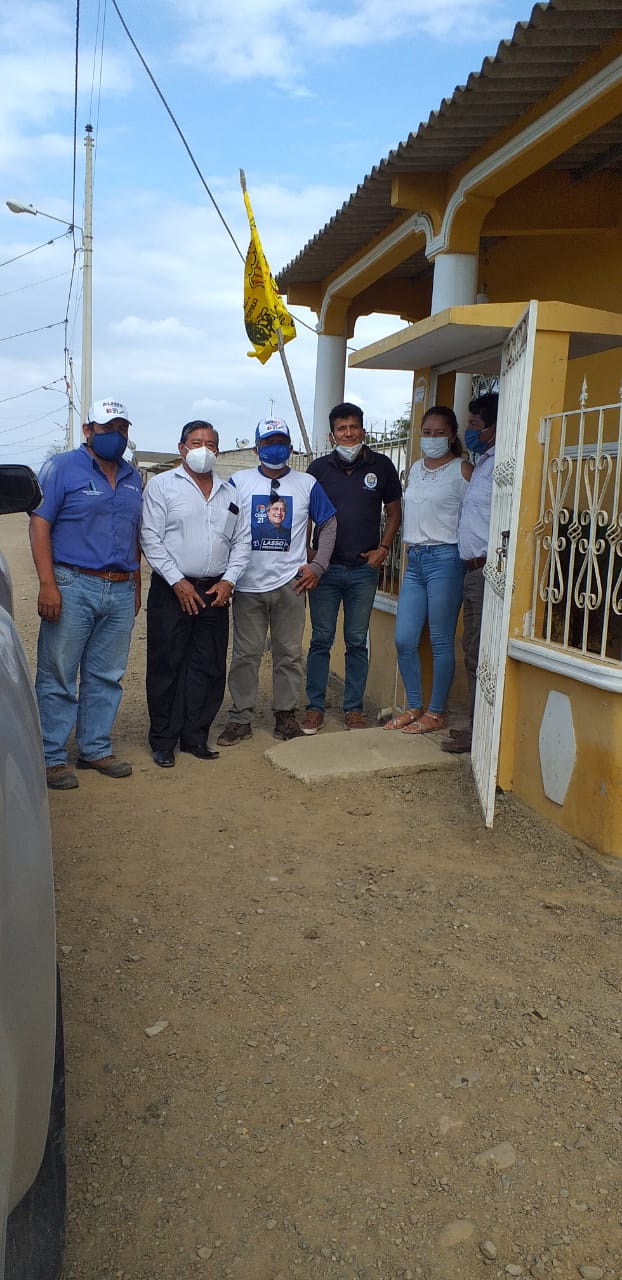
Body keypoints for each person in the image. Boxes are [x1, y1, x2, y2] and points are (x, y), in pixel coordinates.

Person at [30, 398, 142, 790]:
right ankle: (50, 757)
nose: (116, 435)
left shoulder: (132, 476)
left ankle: (94, 748)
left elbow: (134, 533)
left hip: (120, 586)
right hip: (72, 583)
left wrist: (136, 583)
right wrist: (47, 584)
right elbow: (40, 524)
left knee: (107, 675)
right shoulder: (61, 468)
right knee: (58, 673)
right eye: (108, 428)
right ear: (88, 430)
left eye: (122, 428)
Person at [217, 418, 336, 745]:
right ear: (256, 449)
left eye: (280, 441)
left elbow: (329, 524)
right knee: (245, 655)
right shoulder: (238, 482)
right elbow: (222, 527)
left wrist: (318, 567)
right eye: (268, 442)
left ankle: (285, 715)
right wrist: (227, 575)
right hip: (247, 585)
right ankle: (240, 717)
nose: (275, 447)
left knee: (289, 654)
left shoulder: (307, 483)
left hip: (291, 585)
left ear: (291, 446)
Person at [140, 420, 250, 768]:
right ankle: (163, 740)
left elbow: (242, 542)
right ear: (182, 448)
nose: (204, 449)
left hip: (214, 591)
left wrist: (229, 580)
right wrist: (177, 582)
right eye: (196, 442)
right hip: (172, 589)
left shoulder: (230, 492)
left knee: (209, 666)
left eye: (210, 444)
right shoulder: (161, 486)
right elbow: (150, 538)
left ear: (218, 449)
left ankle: (195, 736)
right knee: (167, 665)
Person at [301, 402, 402, 733]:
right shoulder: (317, 469)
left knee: (357, 641)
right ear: (332, 435)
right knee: (321, 639)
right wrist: (308, 552)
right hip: (325, 571)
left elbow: (394, 512)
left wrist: (383, 549)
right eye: (341, 428)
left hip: (363, 570)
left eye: (353, 427)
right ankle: (314, 707)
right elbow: (304, 513)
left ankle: (353, 709)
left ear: (363, 430)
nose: (348, 433)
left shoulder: (382, 466)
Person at [384, 405, 472, 735]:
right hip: (415, 560)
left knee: (440, 639)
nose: (432, 438)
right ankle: (414, 706)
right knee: (404, 638)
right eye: (427, 432)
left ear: (452, 436)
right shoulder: (416, 469)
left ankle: (436, 712)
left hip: (445, 559)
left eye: (440, 433)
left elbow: (477, 514)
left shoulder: (463, 470)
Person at [441, 392, 498, 755]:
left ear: (494, 427)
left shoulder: (501, 465)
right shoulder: (482, 464)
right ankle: (477, 727)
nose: (470, 431)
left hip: (487, 569)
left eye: (475, 424)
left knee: (480, 651)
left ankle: (482, 732)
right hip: (471, 570)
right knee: (472, 649)